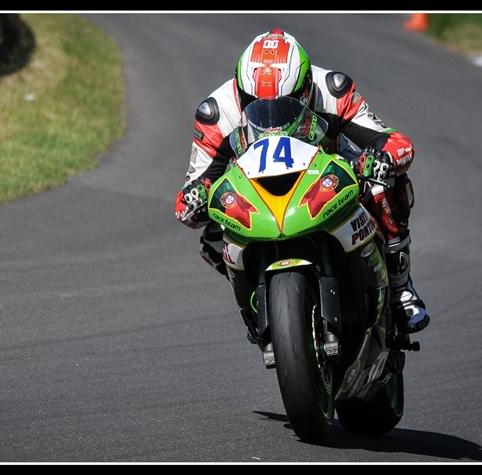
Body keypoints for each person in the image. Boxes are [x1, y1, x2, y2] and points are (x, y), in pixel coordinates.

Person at [174, 28, 430, 357]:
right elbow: (188, 197)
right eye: (256, 105)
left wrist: (382, 158)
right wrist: (196, 198)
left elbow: (395, 142)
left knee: (385, 186)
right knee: (212, 232)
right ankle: (255, 307)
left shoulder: (332, 91)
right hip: (257, 195)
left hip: (327, 180)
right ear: (240, 92)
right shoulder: (216, 113)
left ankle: (400, 288)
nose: (271, 117)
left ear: (306, 88)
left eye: (285, 105)